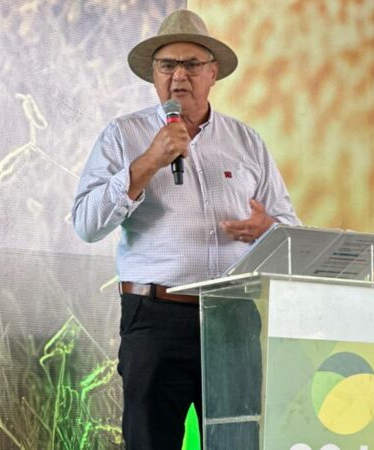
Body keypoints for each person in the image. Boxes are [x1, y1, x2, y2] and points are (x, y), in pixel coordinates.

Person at [71, 9, 300, 449]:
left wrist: (267, 227)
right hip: (155, 315)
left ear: (213, 73)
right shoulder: (123, 135)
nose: (179, 75)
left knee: (238, 440)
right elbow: (86, 223)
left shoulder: (246, 141)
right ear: (153, 74)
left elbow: (290, 227)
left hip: (232, 319)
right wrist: (148, 162)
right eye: (167, 65)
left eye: (192, 64)